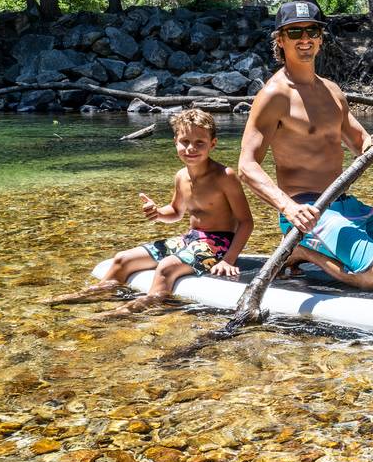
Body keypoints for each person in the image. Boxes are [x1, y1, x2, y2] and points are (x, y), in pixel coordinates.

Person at [238, 0, 373, 290]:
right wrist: (288, 208)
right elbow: (246, 165)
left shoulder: (332, 91)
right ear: (280, 40)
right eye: (295, 33)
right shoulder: (274, 95)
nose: (304, 39)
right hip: (307, 211)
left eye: (312, 31)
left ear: (320, 38)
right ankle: (301, 251)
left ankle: (351, 250)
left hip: (346, 205)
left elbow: (363, 147)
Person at [47, 109, 253, 315]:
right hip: (190, 238)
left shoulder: (224, 176)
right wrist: (158, 213)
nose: (191, 148)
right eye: (185, 141)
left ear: (213, 144)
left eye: (200, 142)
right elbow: (175, 211)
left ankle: (139, 308)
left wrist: (229, 259)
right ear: (175, 142)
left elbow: (246, 222)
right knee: (122, 259)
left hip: (219, 243)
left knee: (166, 268)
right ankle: (97, 293)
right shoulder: (181, 176)